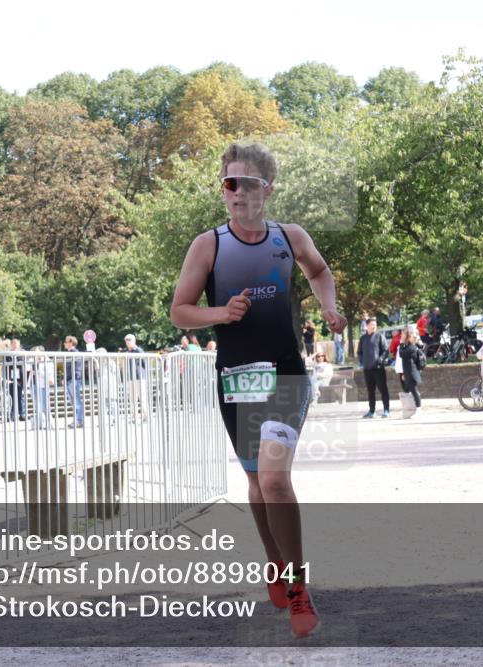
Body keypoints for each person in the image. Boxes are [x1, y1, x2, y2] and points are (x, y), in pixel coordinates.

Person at [169, 141, 346, 638]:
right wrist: (220, 314)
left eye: (248, 183)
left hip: (286, 372)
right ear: (223, 190)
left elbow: (319, 271)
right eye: (230, 183)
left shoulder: (289, 238)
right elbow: (180, 311)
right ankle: (275, 561)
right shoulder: (209, 245)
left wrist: (328, 308)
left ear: (268, 189)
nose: (238, 193)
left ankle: (298, 587)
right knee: (255, 483)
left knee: (273, 480)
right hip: (235, 379)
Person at [358, 318, 390, 418]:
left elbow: (385, 350)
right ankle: (372, 411)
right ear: (366, 326)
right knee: (370, 391)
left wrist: (380, 360)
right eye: (372, 324)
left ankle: (386, 410)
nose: (374, 326)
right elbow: (359, 352)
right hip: (367, 369)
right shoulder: (363, 338)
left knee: (383, 389)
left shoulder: (380, 336)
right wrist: (362, 361)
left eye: (375, 324)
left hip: (378, 368)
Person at [398, 328, 423, 416]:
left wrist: (401, 344)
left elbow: (401, 354)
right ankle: (411, 410)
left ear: (407, 336)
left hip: (412, 373)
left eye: (403, 334)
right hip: (408, 372)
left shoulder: (411, 347)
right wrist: (404, 373)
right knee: (409, 391)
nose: (401, 336)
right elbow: (406, 361)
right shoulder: (407, 346)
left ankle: (418, 409)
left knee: (414, 391)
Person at [123, 334, 148, 421]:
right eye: (126, 340)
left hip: (139, 377)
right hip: (130, 378)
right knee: (132, 398)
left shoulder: (139, 350)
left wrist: (142, 373)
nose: (128, 342)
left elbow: (145, 363)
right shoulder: (126, 352)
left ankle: (145, 416)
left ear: (134, 341)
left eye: (129, 340)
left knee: (142, 397)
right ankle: (134, 417)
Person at [30, 345, 55, 429]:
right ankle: (40, 424)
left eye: (37, 351)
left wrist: (37, 372)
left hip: (43, 385)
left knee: (45, 405)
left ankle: (50, 424)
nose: (35, 353)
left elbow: (48, 375)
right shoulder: (32, 360)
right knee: (37, 405)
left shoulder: (47, 361)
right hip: (33, 384)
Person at [63, 335, 85, 428]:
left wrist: (68, 378)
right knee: (74, 401)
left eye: (66, 341)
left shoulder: (74, 353)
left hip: (74, 379)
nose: (64, 343)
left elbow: (75, 368)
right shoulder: (70, 353)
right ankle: (77, 420)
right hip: (71, 379)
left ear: (71, 342)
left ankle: (79, 420)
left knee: (76, 401)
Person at [4, 339, 28, 421]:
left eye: (16, 344)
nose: (15, 345)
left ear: (19, 345)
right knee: (11, 396)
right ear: (11, 344)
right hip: (10, 378)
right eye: (13, 344)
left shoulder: (21, 353)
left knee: (20, 396)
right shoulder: (7, 354)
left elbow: (22, 363)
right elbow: (6, 365)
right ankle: (12, 414)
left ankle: (22, 414)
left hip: (19, 378)